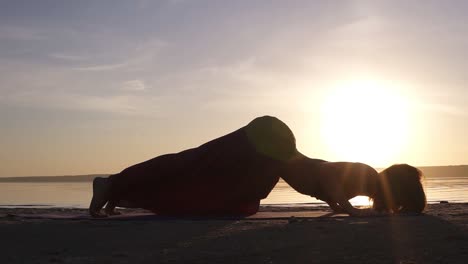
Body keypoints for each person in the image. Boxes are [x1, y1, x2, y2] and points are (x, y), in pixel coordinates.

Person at [89, 116, 426, 217]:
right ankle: (114, 184)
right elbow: (323, 174)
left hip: (272, 159)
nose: (393, 208)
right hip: (275, 143)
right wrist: (344, 207)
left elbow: (324, 181)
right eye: (399, 203)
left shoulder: (365, 183)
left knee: (211, 185)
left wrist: (337, 204)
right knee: (196, 163)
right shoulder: (367, 174)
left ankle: (122, 193)